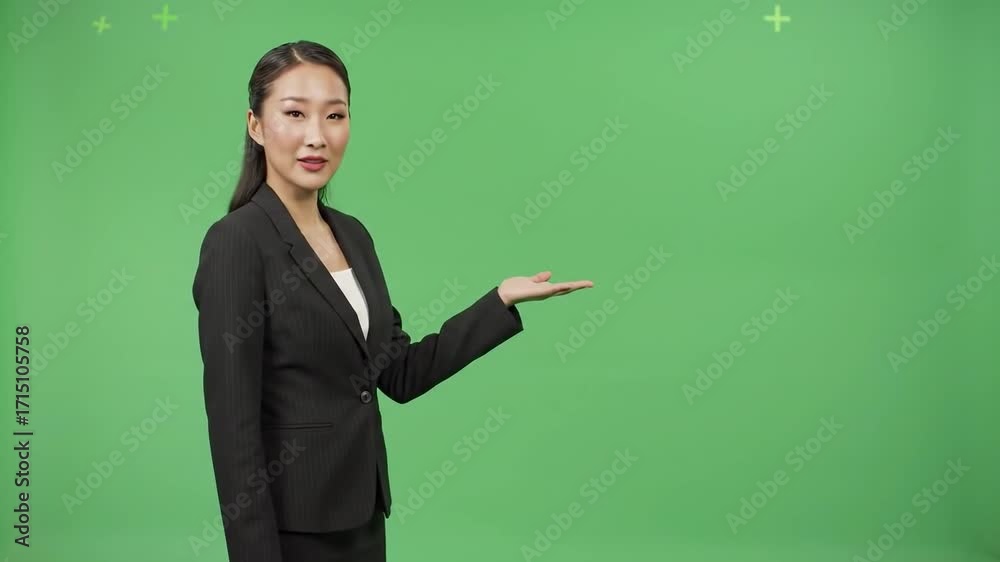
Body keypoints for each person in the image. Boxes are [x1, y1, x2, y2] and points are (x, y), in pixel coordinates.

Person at [191, 40, 593, 562]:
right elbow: (233, 428)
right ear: (256, 126)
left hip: (362, 515)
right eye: (294, 113)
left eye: (335, 115)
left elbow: (398, 373)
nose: (317, 136)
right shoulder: (237, 241)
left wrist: (498, 301)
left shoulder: (353, 235)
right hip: (291, 530)